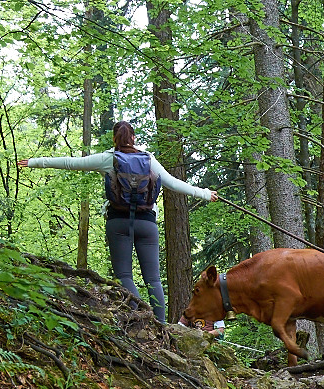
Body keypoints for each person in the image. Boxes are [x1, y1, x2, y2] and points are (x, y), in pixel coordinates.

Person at [17, 120, 218, 323]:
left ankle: (144, 317)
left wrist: (34, 161)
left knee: (124, 276)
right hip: (147, 224)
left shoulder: (109, 159)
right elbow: (174, 183)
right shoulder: (149, 160)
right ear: (133, 138)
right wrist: (205, 193)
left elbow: (71, 163)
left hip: (118, 223)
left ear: (114, 138)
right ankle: (162, 325)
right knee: (153, 279)